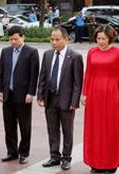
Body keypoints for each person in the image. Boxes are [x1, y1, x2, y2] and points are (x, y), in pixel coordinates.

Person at [37, 27, 84, 171]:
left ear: (66, 39)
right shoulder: (47, 54)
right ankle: (54, 156)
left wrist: (74, 102)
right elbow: (43, 77)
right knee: (52, 129)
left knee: (67, 130)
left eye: (57, 39)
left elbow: (77, 82)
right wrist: (40, 95)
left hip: (66, 100)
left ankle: (66, 158)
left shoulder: (75, 57)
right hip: (50, 98)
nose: (54, 42)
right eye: (52, 39)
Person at [82, 25, 119, 173]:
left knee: (110, 129)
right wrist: (85, 94)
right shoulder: (91, 52)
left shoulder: (118, 53)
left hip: (111, 94)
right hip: (94, 93)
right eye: (98, 38)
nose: (100, 41)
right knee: (94, 128)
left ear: (110, 38)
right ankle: (95, 163)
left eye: (104, 39)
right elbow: (88, 73)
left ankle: (110, 164)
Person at [0, 26, 40, 165]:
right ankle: (12, 152)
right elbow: (0, 73)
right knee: (9, 125)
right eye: (11, 39)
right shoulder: (5, 52)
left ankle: (24, 153)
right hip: (8, 94)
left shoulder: (31, 52)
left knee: (24, 126)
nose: (13, 42)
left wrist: (31, 93)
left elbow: (34, 75)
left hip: (23, 95)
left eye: (16, 39)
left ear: (23, 37)